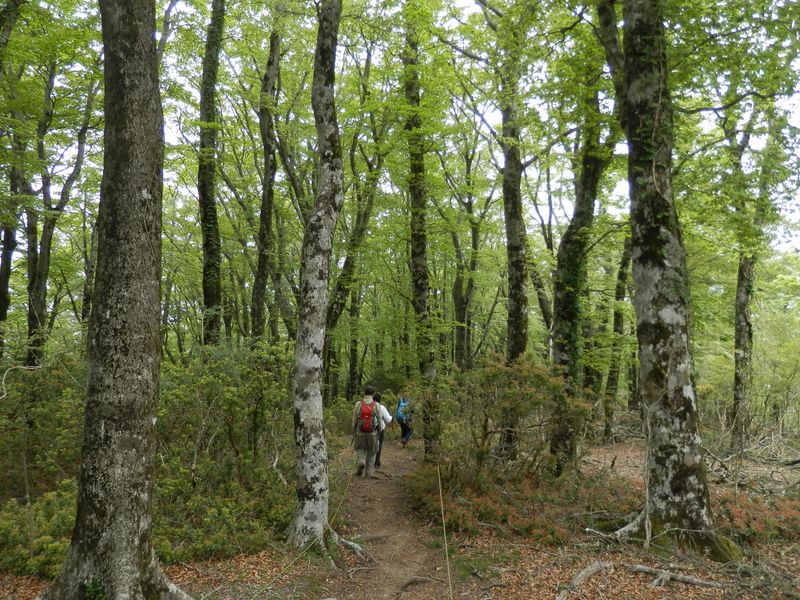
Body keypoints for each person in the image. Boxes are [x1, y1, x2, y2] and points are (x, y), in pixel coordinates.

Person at [352, 385, 380, 478]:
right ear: (373, 394)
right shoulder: (376, 404)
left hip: (360, 432)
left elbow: (354, 419)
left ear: (364, 393)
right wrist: (379, 429)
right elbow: (379, 419)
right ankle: (369, 473)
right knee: (372, 451)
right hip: (373, 432)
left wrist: (354, 430)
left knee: (360, 448)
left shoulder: (358, 404)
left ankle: (361, 461)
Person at [372, 392, 393, 468]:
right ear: (380, 400)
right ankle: (376, 462)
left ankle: (368, 462)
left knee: (370, 446)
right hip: (380, 429)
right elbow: (388, 419)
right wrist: (392, 417)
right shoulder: (382, 407)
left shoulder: (368, 406)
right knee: (379, 445)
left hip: (369, 429)